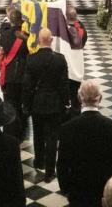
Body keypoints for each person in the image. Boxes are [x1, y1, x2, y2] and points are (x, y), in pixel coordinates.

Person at [57, 81, 112, 207]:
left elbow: (62, 165)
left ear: (80, 98)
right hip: (105, 192)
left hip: (78, 192)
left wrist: (67, 190)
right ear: (100, 98)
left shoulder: (67, 128)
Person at [22, 28, 70, 182]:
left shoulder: (31, 59)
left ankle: (39, 162)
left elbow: (27, 86)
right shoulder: (60, 59)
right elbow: (64, 85)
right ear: (50, 40)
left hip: (37, 104)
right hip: (54, 105)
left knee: (38, 134)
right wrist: (66, 102)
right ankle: (50, 172)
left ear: (39, 41)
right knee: (52, 137)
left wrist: (26, 104)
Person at [0, 5, 28, 139]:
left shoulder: (5, 35)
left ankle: (10, 132)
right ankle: (21, 131)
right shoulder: (26, 37)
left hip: (9, 75)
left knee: (9, 104)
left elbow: (3, 43)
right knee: (21, 103)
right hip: (22, 75)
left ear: (10, 20)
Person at [64, 6, 88, 114]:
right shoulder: (81, 27)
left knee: (67, 92)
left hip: (67, 63)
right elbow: (84, 40)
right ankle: (76, 112)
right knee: (75, 92)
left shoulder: (64, 29)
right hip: (77, 64)